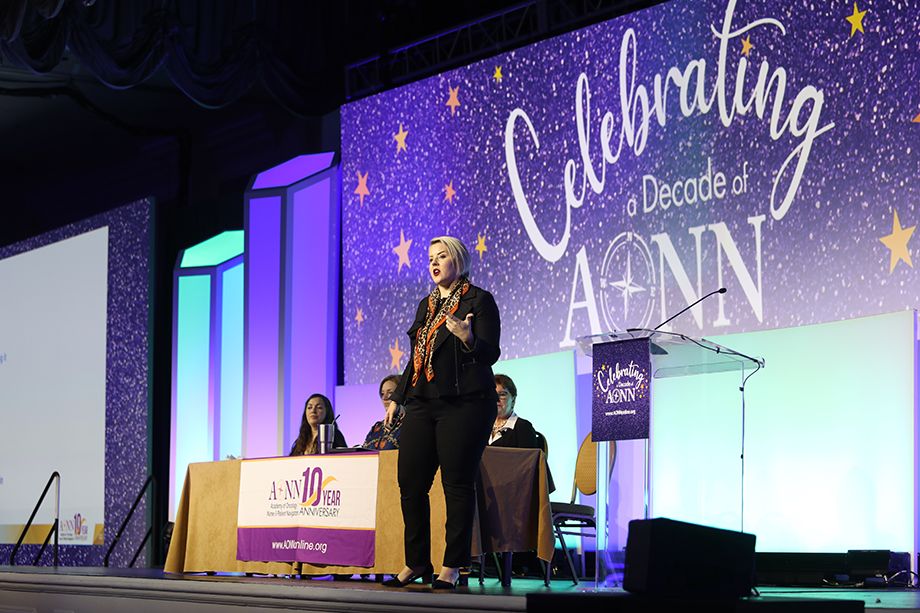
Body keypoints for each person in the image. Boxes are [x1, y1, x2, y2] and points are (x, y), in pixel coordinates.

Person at [382, 236, 500, 590]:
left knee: (456, 484)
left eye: (442, 256)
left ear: (458, 261)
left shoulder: (479, 300)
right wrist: (398, 397)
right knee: (410, 483)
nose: (434, 263)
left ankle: (453, 565)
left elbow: (490, 353)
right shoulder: (427, 304)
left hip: (465, 403)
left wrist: (468, 337)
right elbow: (416, 358)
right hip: (422, 401)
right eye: (430, 257)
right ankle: (417, 561)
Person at [489, 374, 538, 448]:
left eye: (502, 394)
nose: (496, 399)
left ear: (513, 400)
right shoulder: (483, 425)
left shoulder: (523, 428)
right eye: (493, 394)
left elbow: (528, 455)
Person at [361, 375, 404, 450]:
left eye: (390, 393)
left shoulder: (409, 426)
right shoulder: (377, 427)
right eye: (382, 393)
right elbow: (365, 452)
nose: (384, 398)